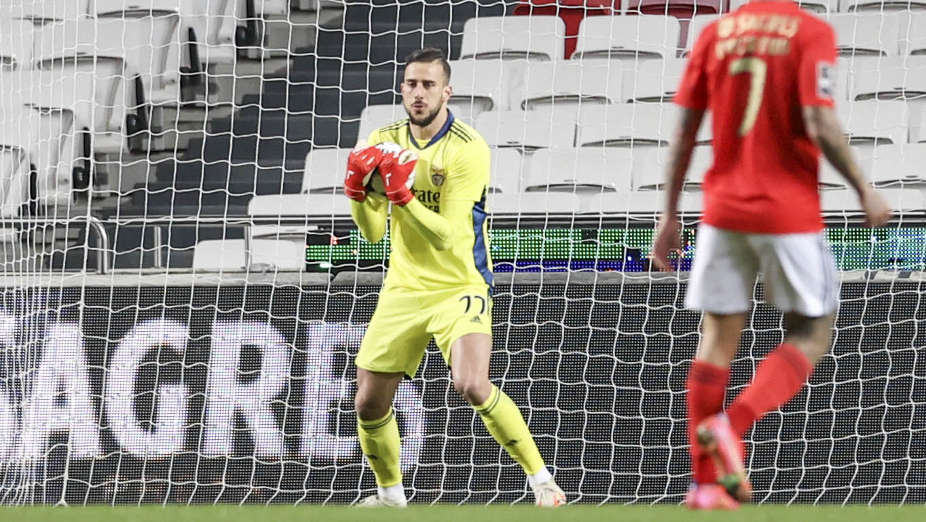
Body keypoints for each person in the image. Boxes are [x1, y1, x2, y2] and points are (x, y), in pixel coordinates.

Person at [652, 1, 893, 510]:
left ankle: (705, 486)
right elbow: (819, 121)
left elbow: (685, 132)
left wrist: (669, 215)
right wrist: (864, 188)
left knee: (715, 339)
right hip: (789, 213)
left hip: (721, 212)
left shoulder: (716, 33)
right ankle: (732, 424)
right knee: (813, 330)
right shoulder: (810, 31)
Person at [343, 48, 566, 508]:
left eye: (428, 85)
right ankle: (390, 497)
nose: (418, 93)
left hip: (460, 283)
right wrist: (356, 194)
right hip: (404, 286)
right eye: (411, 84)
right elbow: (370, 234)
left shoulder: (468, 146)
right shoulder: (383, 139)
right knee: (368, 402)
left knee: (471, 383)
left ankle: (542, 480)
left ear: (447, 91)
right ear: (401, 89)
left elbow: (447, 235)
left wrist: (402, 194)